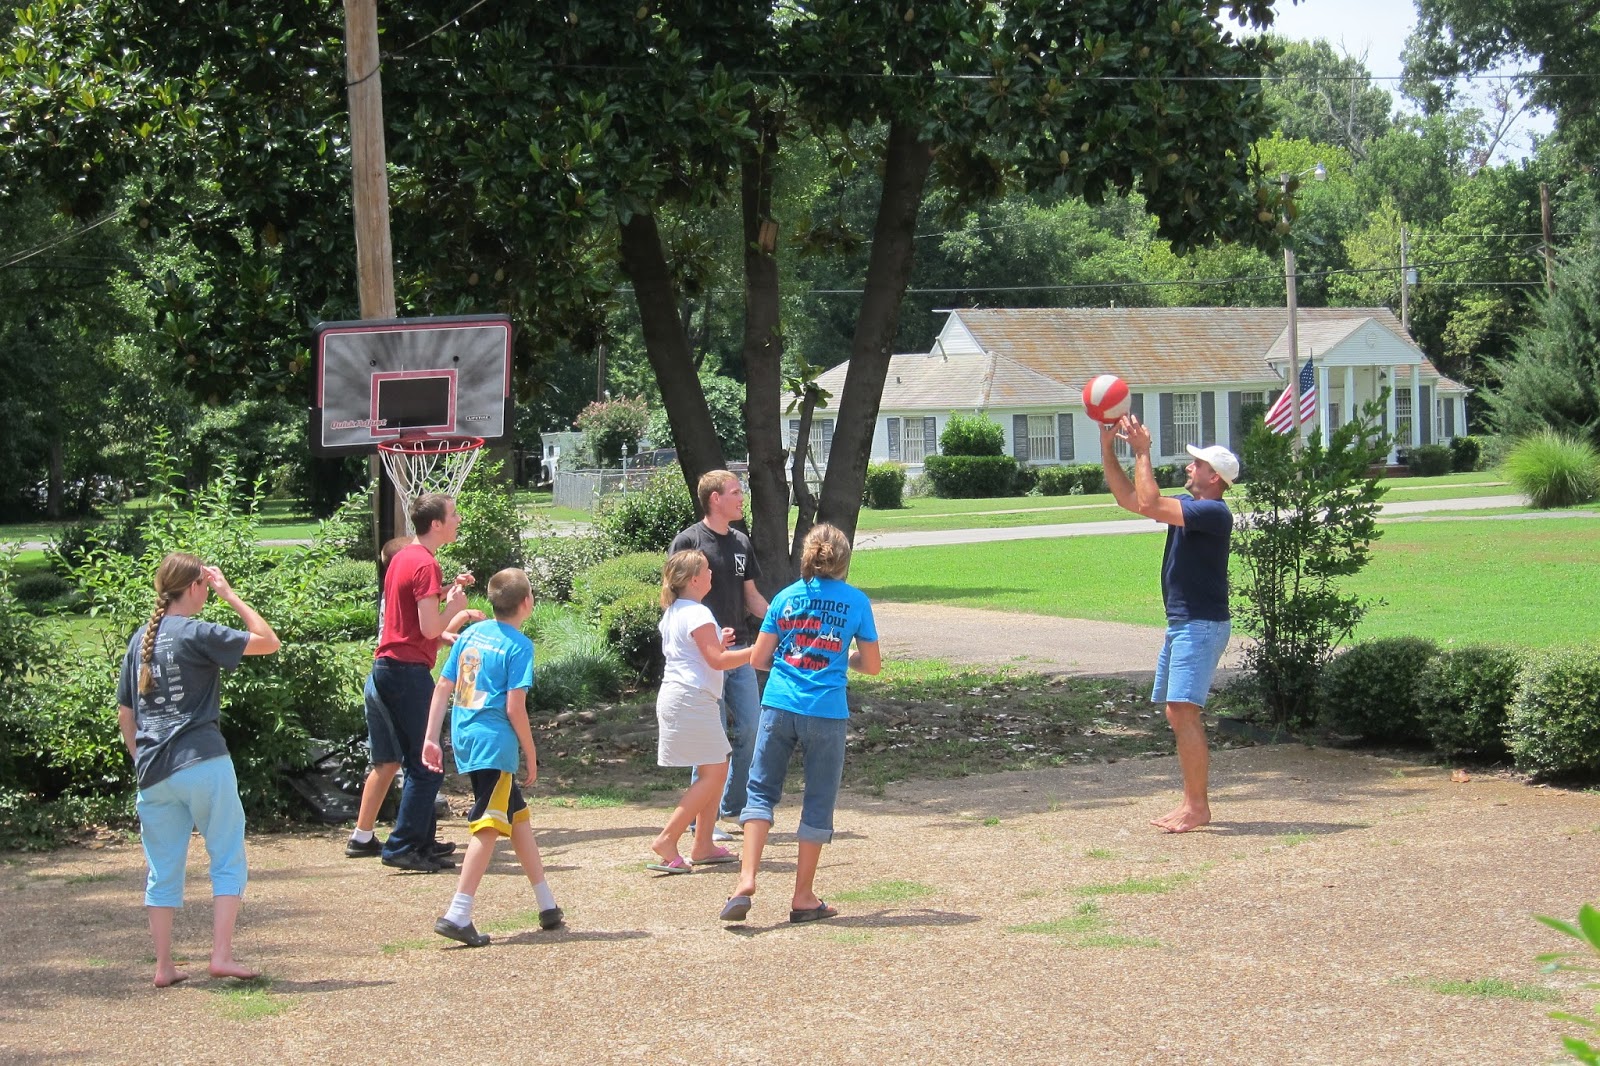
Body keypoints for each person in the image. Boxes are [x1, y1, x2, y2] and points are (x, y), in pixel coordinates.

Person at [115, 553, 280, 988]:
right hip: (203, 760)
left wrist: (141, 757)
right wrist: (231, 594)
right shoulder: (198, 632)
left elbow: (126, 714)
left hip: (153, 770)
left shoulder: (140, 641)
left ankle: (164, 966)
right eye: (205, 586)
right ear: (194, 588)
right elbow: (268, 640)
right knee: (226, 854)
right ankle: (220, 955)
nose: (208, 592)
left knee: (162, 868)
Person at [719, 523, 880, 925]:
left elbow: (758, 659)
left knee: (760, 792)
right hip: (826, 710)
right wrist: (842, 659)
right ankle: (803, 896)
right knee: (818, 800)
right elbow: (873, 666)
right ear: (844, 560)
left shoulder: (785, 599)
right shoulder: (856, 602)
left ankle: (745, 879)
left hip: (779, 705)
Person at [1100, 414, 1238, 834]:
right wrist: (1109, 449)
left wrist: (1143, 451)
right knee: (1177, 714)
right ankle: (1191, 802)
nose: (1188, 466)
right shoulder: (1193, 506)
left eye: (1196, 464)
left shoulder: (1214, 512)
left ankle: (1198, 807)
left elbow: (1151, 502)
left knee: (1183, 711)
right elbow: (1132, 499)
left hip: (1201, 624)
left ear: (1214, 477)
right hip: (1183, 623)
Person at [421, 568, 564, 945]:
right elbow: (516, 708)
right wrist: (531, 754)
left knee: (516, 817)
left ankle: (547, 904)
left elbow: (443, 686)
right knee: (488, 823)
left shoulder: (470, 634)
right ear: (527, 603)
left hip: (466, 736)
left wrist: (431, 738)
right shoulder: (519, 646)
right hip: (495, 744)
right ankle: (458, 912)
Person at [359, 493, 478, 872]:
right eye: (454, 514)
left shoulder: (404, 557)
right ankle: (402, 846)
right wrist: (455, 609)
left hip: (390, 668)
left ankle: (422, 842)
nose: (458, 519)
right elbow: (430, 627)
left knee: (415, 760)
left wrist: (443, 595)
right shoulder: (426, 563)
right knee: (429, 762)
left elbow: (413, 615)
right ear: (437, 524)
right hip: (407, 671)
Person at [670, 470, 769, 842]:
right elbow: (676, 598)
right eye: (735, 492)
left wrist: (780, 619)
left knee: (751, 728)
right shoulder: (690, 541)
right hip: (704, 659)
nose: (741, 497)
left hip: (739, 652)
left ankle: (732, 807)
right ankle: (699, 822)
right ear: (715, 499)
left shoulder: (742, 542)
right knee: (710, 740)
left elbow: (752, 596)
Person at [647, 550, 754, 874]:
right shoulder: (698, 613)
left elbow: (698, 652)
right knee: (714, 773)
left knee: (716, 768)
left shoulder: (677, 611)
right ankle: (668, 839)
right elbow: (718, 661)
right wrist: (758, 650)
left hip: (684, 698)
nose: (712, 574)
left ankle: (703, 844)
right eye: (707, 570)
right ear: (694, 579)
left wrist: (718, 642)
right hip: (692, 700)